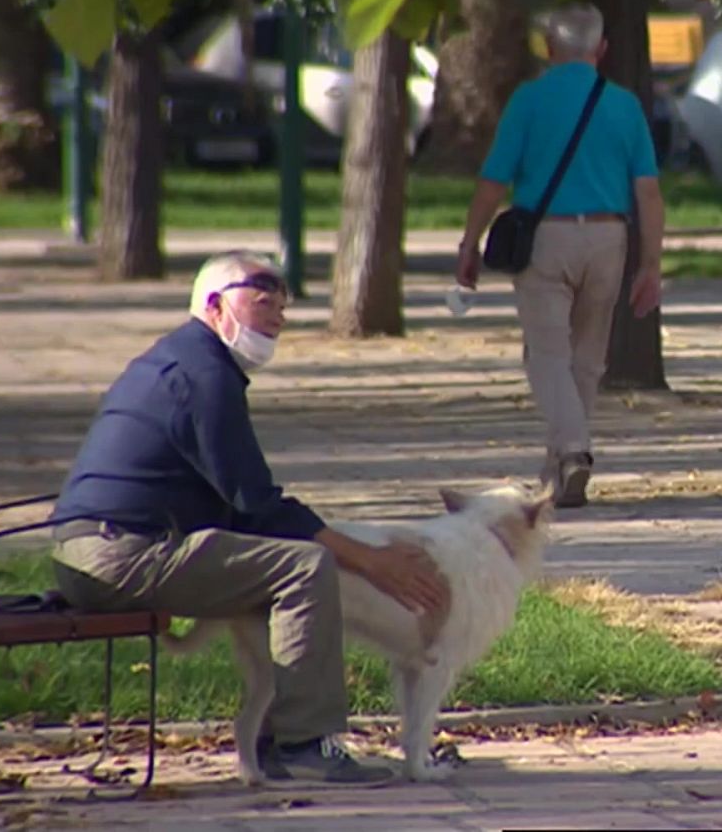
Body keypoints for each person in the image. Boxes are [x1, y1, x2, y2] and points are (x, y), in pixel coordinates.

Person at [48, 250, 451, 785]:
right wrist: (367, 560)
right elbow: (256, 500)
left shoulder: (181, 360)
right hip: (121, 555)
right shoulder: (203, 374)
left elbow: (242, 508)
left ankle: (268, 741)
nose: (277, 313)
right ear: (214, 306)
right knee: (305, 568)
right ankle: (308, 743)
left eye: (283, 304)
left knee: (282, 561)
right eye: (262, 299)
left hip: (94, 553)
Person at [456, 2, 665, 508]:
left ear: (549, 48)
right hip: (608, 238)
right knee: (588, 360)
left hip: (545, 240)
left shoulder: (528, 102)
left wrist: (470, 243)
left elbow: (493, 182)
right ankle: (557, 473)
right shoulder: (625, 106)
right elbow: (649, 193)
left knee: (547, 355)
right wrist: (650, 265)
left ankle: (573, 449)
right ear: (602, 50)